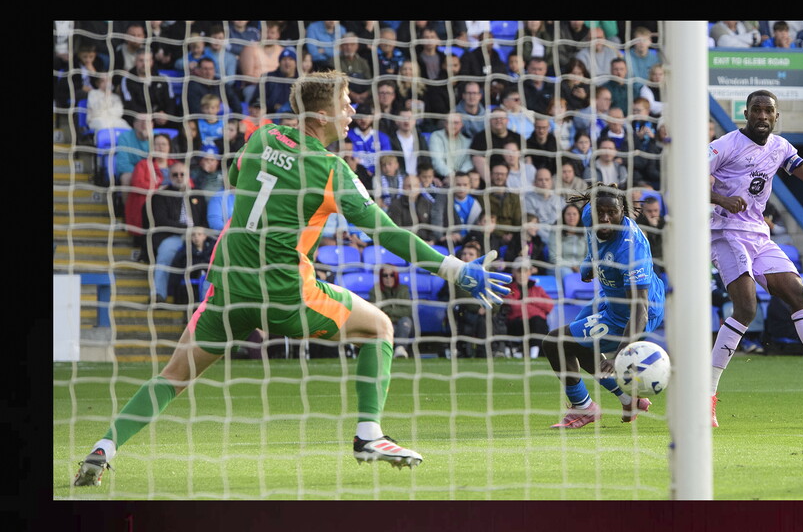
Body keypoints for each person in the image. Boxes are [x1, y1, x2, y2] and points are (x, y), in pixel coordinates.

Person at [73, 70, 513, 486]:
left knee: (172, 377)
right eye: (345, 105)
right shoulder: (332, 171)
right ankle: (368, 435)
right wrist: (454, 268)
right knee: (379, 327)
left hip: (229, 284)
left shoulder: (261, 135)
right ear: (321, 116)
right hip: (284, 293)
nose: (352, 112)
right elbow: (387, 232)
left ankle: (103, 448)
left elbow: (234, 176)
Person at [707, 89, 803, 428]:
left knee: (800, 293)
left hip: (758, 236)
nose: (762, 116)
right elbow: (691, 179)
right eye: (756, 110)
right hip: (725, 233)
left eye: (769, 111)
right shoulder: (724, 145)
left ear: (776, 117)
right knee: (746, 307)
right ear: (745, 114)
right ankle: (707, 396)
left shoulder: (781, 148)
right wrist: (721, 198)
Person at [542, 183, 665, 428]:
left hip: (636, 311)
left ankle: (584, 408)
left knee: (556, 342)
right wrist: (589, 262)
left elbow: (638, 308)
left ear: (624, 212)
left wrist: (621, 353)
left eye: (613, 213)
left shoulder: (631, 249)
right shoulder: (590, 215)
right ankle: (626, 398)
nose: (606, 219)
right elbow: (593, 242)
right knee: (576, 342)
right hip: (610, 298)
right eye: (601, 213)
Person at [143, 161, 207, 303]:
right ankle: (159, 294)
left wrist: (199, 233)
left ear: (188, 176)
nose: (179, 177)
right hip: (173, 236)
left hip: (198, 237)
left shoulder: (198, 195)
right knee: (165, 254)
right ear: (170, 176)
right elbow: (161, 220)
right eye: (175, 174)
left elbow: (204, 220)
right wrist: (187, 230)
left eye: (182, 174)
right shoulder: (161, 195)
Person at [126, 132, 176, 256]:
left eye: (163, 144)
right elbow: (138, 184)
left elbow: (188, 184)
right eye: (157, 144)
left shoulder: (176, 166)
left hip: (173, 205)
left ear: (169, 147)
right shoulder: (143, 165)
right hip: (150, 204)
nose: (160, 147)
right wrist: (158, 189)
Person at [503, 256, 553, 359]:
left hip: (536, 323)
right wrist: (536, 307)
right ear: (513, 272)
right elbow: (514, 307)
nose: (522, 275)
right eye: (519, 271)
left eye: (525, 271)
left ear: (530, 272)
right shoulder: (508, 288)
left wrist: (530, 300)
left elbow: (549, 305)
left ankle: (534, 352)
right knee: (537, 319)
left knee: (537, 321)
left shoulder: (538, 289)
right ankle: (533, 352)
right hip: (516, 324)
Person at [117, 48, 177, 129]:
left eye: (147, 61)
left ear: (152, 62)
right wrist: (151, 116)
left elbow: (171, 101)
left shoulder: (163, 78)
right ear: (135, 62)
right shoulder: (127, 80)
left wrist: (166, 115)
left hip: (160, 119)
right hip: (139, 119)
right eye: (141, 60)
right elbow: (130, 104)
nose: (144, 64)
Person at [371, 264, 414, 359]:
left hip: (401, 323)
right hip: (385, 323)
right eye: (385, 275)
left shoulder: (403, 289)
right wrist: (395, 313)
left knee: (406, 321)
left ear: (396, 276)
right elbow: (376, 311)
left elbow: (408, 311)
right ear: (381, 277)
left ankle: (400, 349)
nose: (388, 278)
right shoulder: (375, 290)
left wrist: (389, 311)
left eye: (392, 275)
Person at [431, 171, 483, 249]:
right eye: (458, 185)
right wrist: (441, 236)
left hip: (467, 241)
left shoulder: (475, 205)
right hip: (446, 239)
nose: (461, 188)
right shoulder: (444, 199)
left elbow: (475, 229)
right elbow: (437, 216)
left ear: (470, 186)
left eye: (465, 185)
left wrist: (462, 237)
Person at [469, 108, 522, 180]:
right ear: (489, 120)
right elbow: (478, 160)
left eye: (501, 118)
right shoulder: (481, 138)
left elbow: (526, 158)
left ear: (507, 120)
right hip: (491, 178)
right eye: (495, 118)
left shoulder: (517, 137)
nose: (498, 120)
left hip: (516, 177)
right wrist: (491, 182)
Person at [480, 163, 523, 251]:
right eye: (496, 174)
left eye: (502, 174)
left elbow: (518, 220)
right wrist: (502, 235)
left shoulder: (515, 198)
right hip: (491, 236)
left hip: (512, 237)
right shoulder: (483, 197)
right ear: (491, 175)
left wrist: (512, 235)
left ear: (507, 176)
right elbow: (483, 221)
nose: (499, 177)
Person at [171, 226, 215, 304]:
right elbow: (177, 268)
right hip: (190, 287)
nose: (196, 237)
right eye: (193, 235)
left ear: (205, 236)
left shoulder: (212, 250)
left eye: (199, 234)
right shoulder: (184, 252)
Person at [523, 167, 566, 242]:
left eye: (547, 179)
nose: (544, 182)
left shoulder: (560, 200)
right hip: (538, 239)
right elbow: (532, 226)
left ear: (551, 182)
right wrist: (551, 240)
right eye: (540, 180)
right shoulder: (528, 199)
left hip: (559, 236)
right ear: (534, 183)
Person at [428, 112, 474, 181]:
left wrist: (458, 176)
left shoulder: (467, 141)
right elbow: (437, 161)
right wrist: (451, 175)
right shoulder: (436, 136)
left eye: (456, 123)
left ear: (461, 125)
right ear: (445, 124)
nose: (452, 126)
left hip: (461, 178)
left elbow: (468, 163)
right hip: (440, 177)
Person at [549, 203, 587, 281]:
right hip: (560, 268)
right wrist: (572, 266)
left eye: (574, 214)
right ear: (563, 216)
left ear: (579, 216)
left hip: (581, 267)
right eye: (568, 214)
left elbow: (589, 256)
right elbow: (554, 258)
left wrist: (580, 267)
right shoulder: (555, 232)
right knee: (567, 273)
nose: (571, 217)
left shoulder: (585, 233)